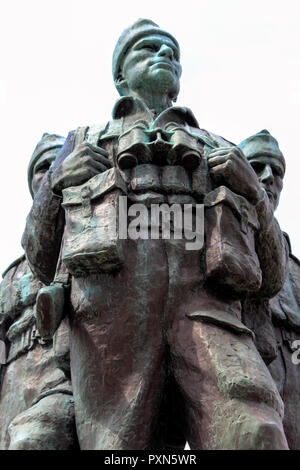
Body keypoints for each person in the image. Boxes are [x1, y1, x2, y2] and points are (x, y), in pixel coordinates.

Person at [22, 20, 289, 450]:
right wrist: (55, 185)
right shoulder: (82, 142)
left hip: (209, 313)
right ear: (120, 75)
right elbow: (39, 255)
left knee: (255, 430)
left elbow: (271, 277)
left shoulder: (220, 147)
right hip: (111, 318)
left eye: (173, 52)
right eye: (148, 48)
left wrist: (254, 192)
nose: (165, 55)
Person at [0, 133, 77, 450]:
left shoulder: (87, 239)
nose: (50, 172)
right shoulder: (12, 272)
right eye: (42, 167)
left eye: (57, 162)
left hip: (65, 371)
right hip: (15, 381)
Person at [239, 129, 300, 449]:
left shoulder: (293, 262)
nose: (269, 177)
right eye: (257, 166)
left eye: (277, 172)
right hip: (252, 356)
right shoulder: (219, 235)